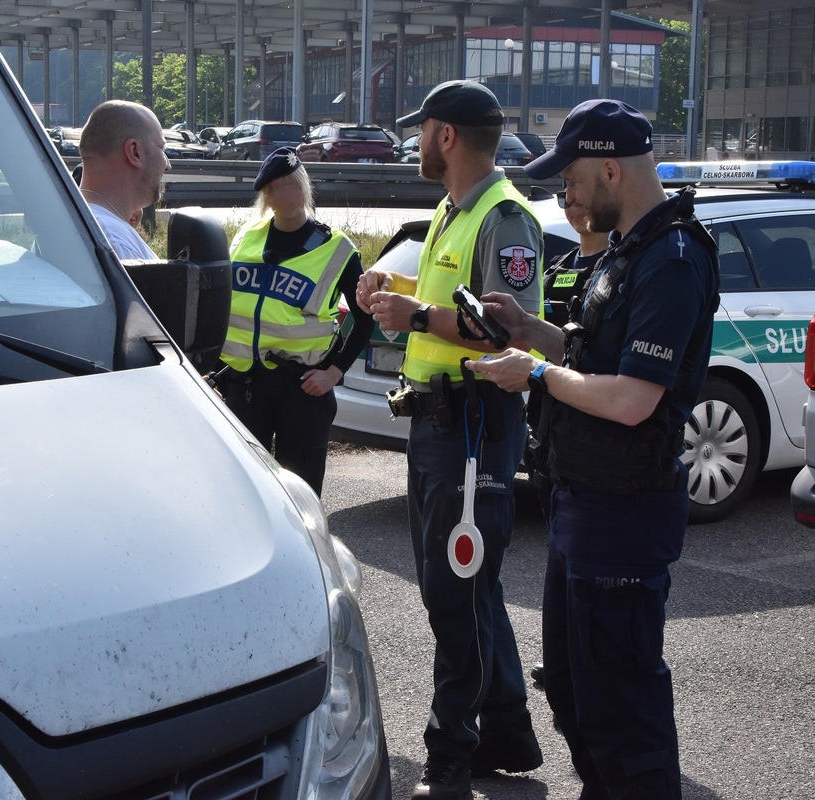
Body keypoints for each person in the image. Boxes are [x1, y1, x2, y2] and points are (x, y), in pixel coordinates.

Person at [467, 99, 720, 799]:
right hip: (581, 504)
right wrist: (529, 332)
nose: (566, 196)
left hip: (623, 513)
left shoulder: (670, 260)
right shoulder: (628, 252)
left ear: (610, 167)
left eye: (572, 180)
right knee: (577, 694)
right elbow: (592, 355)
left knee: (623, 714)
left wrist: (539, 374)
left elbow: (634, 399)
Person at [355, 79, 544, 800]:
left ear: (446, 137)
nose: (413, 142)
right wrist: (394, 293)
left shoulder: (503, 218)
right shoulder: (452, 211)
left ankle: (449, 756)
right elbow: (446, 305)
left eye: (420, 129)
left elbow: (509, 330)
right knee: (471, 589)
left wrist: (416, 317)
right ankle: (508, 730)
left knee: (455, 591)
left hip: (474, 425)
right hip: (441, 422)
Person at [217, 147, 375, 496]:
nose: (287, 191)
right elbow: (222, 305)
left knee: (301, 494)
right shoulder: (246, 238)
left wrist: (334, 372)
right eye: (277, 186)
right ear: (266, 196)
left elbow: (364, 321)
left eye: (293, 182)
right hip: (246, 384)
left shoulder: (337, 250)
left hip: (302, 387)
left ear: (305, 187)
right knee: (244, 491)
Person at [526, 201, 610, 689]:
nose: (574, 204)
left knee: (586, 568)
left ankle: (580, 665)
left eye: (580, 193)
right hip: (550, 426)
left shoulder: (615, 272)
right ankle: (559, 657)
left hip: (591, 428)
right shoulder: (557, 270)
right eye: (565, 197)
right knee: (557, 555)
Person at [77, 100, 170, 259]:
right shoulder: (116, 242)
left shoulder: (67, 226)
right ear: (135, 152)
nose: (167, 165)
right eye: (161, 148)